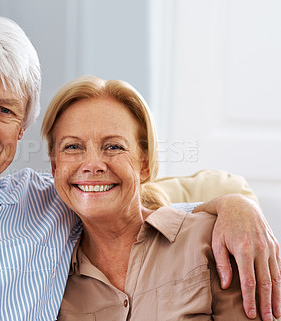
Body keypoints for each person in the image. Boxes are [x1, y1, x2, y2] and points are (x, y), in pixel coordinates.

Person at [0, 15, 279, 321]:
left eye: (4, 109)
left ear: (21, 129)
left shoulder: (47, 201)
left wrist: (236, 204)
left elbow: (139, 209)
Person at [41, 75, 281, 320]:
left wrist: (237, 203)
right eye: (72, 147)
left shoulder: (214, 240)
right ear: (54, 166)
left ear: (145, 163)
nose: (92, 165)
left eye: (114, 147)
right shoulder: (49, 280)